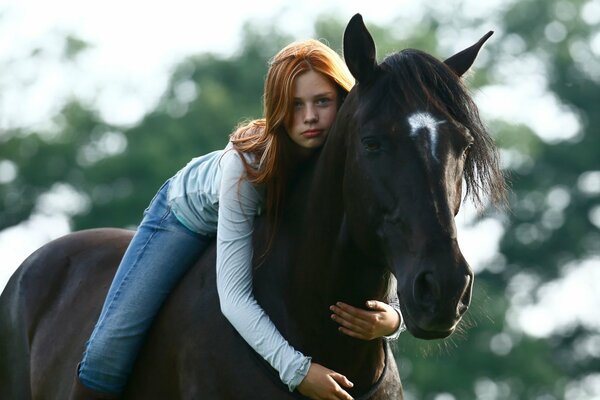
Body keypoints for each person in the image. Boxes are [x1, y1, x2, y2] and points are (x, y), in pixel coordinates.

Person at [70, 38, 403, 400]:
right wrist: (298, 371)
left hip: (258, 222)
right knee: (108, 348)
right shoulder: (247, 167)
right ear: (277, 109)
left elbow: (382, 232)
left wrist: (393, 319)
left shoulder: (355, 157)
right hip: (184, 216)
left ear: (343, 100)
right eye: (294, 105)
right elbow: (233, 296)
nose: (309, 117)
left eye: (322, 101)